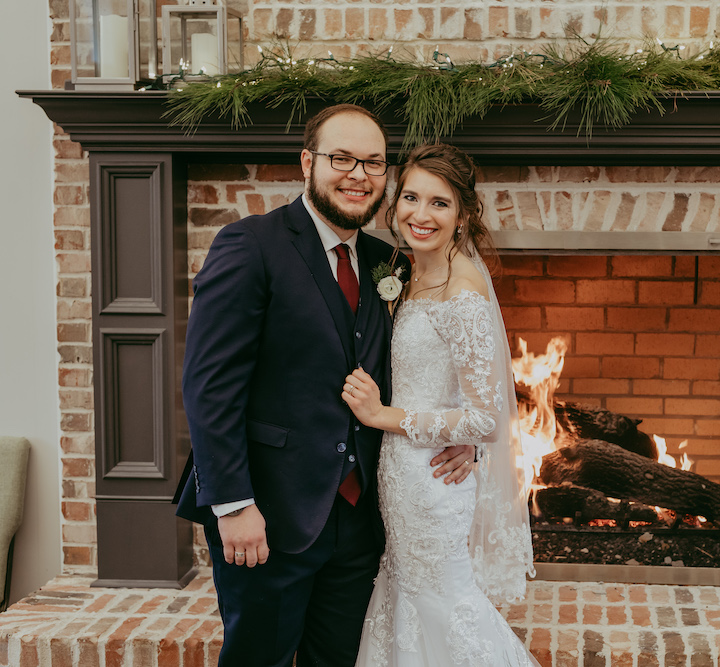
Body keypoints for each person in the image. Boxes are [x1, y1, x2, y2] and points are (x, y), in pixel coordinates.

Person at [174, 104, 475, 667]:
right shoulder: (249, 246)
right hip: (268, 515)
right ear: (308, 162)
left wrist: (462, 431)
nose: (359, 175)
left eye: (373, 163)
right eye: (342, 159)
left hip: (362, 522)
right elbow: (208, 386)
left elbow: (426, 363)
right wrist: (234, 504)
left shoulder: (390, 262)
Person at [342, 144, 538, 666]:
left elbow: (485, 417)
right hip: (403, 475)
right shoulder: (406, 273)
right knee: (408, 597)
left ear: (464, 214)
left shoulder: (463, 289)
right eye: (410, 197)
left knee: (443, 603)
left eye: (439, 203)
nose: (420, 215)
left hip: (432, 483)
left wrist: (384, 415)